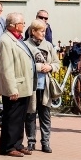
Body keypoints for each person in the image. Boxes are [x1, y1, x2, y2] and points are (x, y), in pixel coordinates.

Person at [0, 12, 36, 157]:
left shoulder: (17, 39)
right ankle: (8, 147)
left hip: (23, 85)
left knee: (20, 118)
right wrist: (11, 88)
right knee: (11, 118)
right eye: (22, 23)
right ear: (13, 25)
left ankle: (18, 144)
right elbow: (6, 68)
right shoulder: (5, 41)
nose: (24, 25)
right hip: (15, 87)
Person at [24, 19, 59, 153]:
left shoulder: (48, 46)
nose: (44, 34)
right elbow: (23, 65)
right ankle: (31, 141)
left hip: (45, 86)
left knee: (45, 115)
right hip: (31, 86)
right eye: (41, 31)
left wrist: (50, 66)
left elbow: (56, 63)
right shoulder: (25, 45)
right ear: (33, 31)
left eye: (45, 31)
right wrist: (37, 67)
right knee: (30, 114)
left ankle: (45, 142)